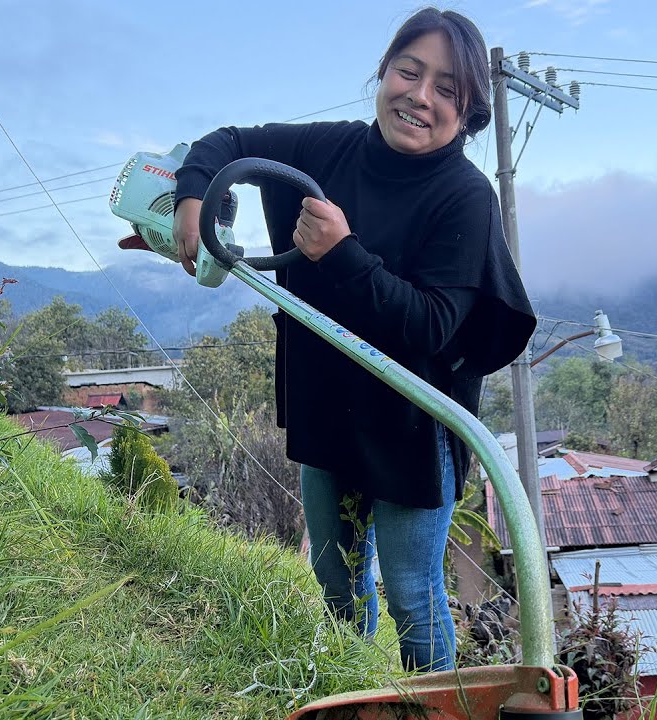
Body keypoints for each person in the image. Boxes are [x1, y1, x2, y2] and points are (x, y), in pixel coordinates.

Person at [169, 7, 534, 673]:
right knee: (336, 579)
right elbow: (230, 141)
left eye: (447, 89)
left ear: (470, 111)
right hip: (329, 407)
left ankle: (437, 711)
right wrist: (193, 196)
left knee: (412, 595)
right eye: (408, 71)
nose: (419, 96)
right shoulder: (330, 149)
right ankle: (354, 687)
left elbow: (428, 327)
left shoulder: (465, 195)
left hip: (411, 429)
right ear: (385, 71)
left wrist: (341, 254)